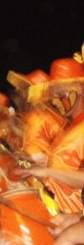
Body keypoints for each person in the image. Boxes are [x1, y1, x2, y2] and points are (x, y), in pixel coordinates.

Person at [15, 58, 84, 213]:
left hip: (73, 215)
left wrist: (48, 171)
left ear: (80, 88)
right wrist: (45, 164)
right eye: (54, 93)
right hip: (55, 204)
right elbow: (67, 164)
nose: (56, 99)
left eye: (62, 91)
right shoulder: (70, 126)